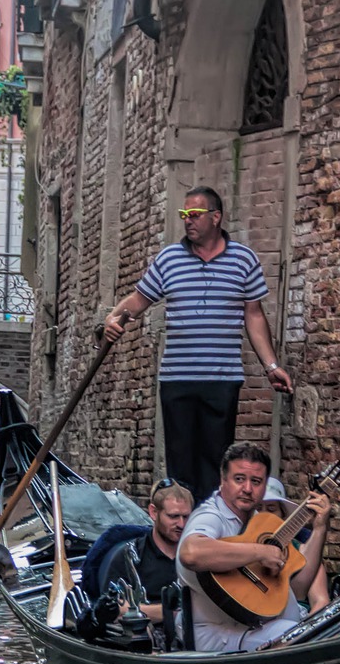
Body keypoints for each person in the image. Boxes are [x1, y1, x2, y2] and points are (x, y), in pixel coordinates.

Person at [102, 186, 293, 502]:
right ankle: (182, 535)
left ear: (215, 217)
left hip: (222, 379)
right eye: (184, 215)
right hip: (177, 379)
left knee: (216, 463)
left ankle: (210, 530)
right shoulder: (169, 259)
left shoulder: (244, 260)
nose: (188, 221)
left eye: (194, 214)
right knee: (180, 467)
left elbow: (255, 316)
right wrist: (112, 317)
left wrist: (271, 366)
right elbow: (138, 301)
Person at [177, 442, 330, 652]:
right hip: (217, 633)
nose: (247, 489)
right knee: (299, 637)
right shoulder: (212, 516)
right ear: (223, 480)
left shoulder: (260, 524)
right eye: (239, 479)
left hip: (259, 625)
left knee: (321, 632)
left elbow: (299, 589)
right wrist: (261, 552)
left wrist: (319, 529)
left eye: (256, 481)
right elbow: (191, 553)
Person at [94, 480, 194, 625]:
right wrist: (169, 613)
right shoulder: (128, 557)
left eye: (186, 517)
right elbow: (112, 611)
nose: (181, 524)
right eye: (173, 516)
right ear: (154, 512)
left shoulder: (198, 556)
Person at [258, 477, 330, 614]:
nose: (264, 514)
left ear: (283, 516)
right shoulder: (240, 544)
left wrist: (304, 631)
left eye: (271, 509)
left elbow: (321, 601)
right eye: (258, 508)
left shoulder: (303, 550)